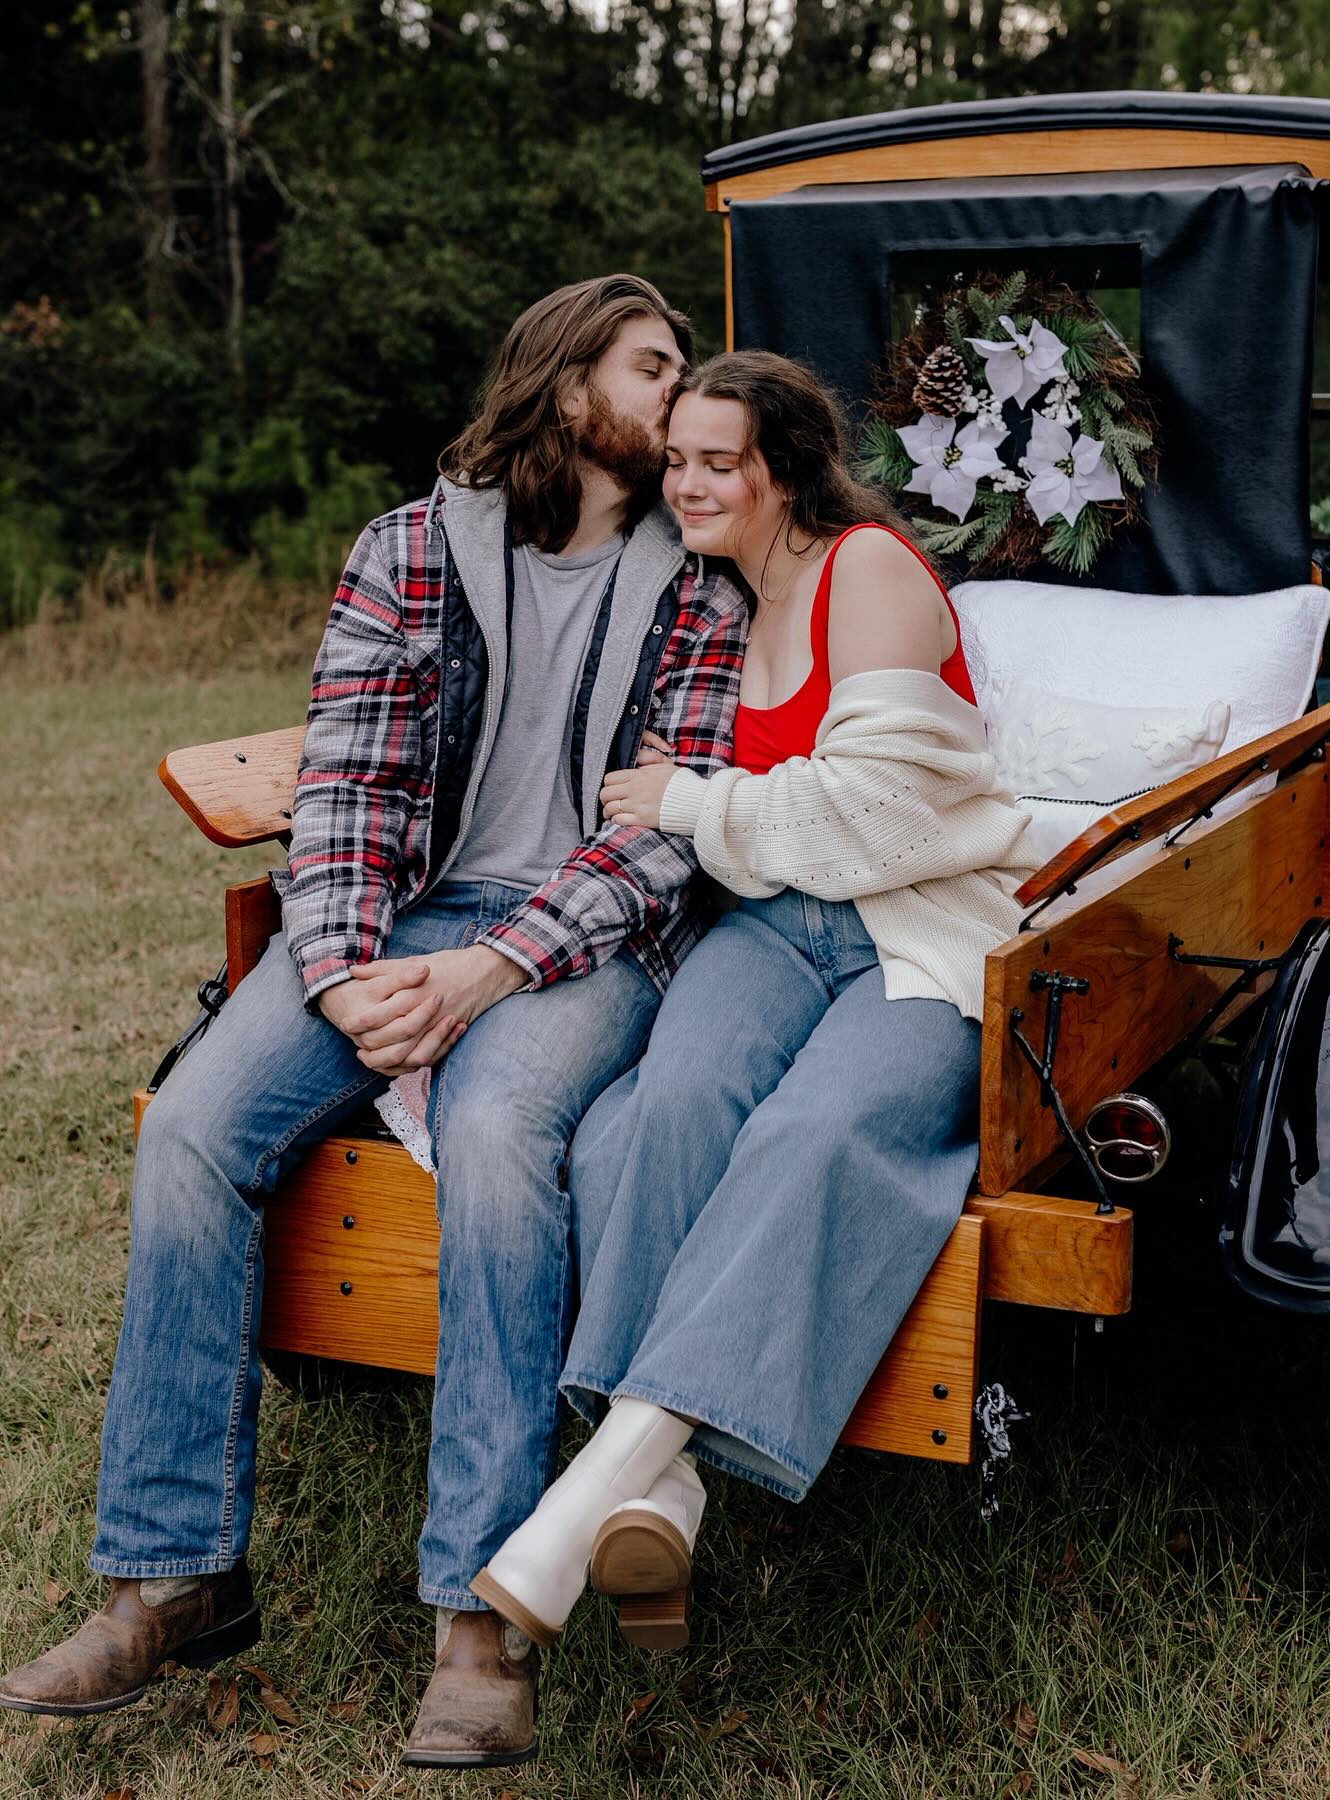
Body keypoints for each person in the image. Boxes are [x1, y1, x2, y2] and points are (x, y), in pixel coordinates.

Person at [0, 276, 748, 1769]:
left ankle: (481, 1613)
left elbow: (667, 840)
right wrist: (343, 974)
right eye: (654, 369)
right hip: (392, 922)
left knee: (494, 1135)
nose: (684, 400)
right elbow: (346, 789)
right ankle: (175, 1573)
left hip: (585, 942)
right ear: (564, 381)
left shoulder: (704, 577)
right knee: (198, 1131)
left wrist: (489, 975)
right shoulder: (411, 550)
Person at [466, 350, 1034, 1660]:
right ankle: (659, 1485)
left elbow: (880, 821)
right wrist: (698, 808)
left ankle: (608, 1476)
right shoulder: (712, 601)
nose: (690, 482)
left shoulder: (868, 572)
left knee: (821, 1132)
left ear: (786, 471)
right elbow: (775, 831)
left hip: (919, 928)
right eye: (679, 459)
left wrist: (691, 802)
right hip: (771, 924)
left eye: (719, 461)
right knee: (660, 1108)